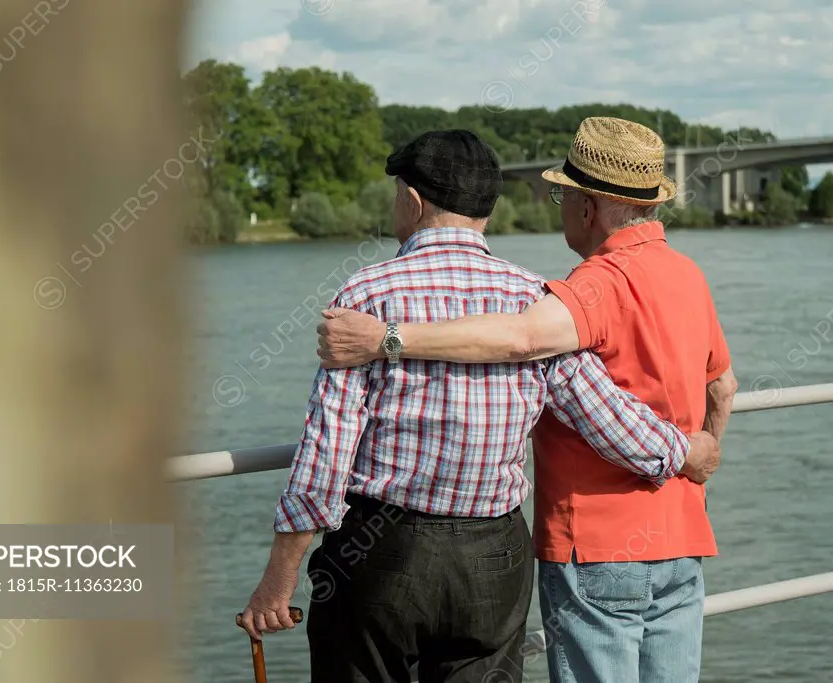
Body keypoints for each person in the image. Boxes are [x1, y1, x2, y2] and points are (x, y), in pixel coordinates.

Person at [239, 128, 719, 683]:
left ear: (413, 201)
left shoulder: (366, 299)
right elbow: (604, 412)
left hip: (381, 552)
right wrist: (684, 450)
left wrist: (278, 580)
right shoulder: (532, 300)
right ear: (487, 211)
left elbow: (325, 458)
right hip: (493, 556)